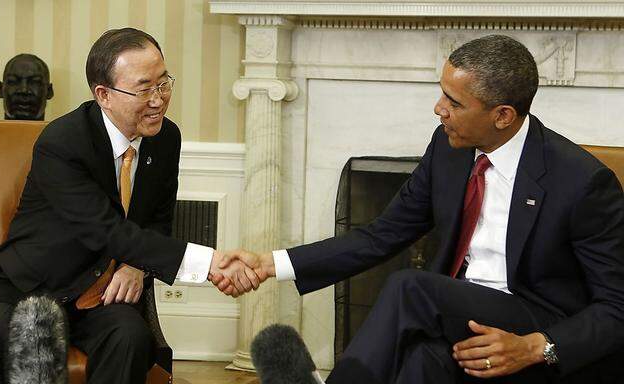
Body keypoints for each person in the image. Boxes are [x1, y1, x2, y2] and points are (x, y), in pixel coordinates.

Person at [216, 35, 624, 383]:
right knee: (421, 361)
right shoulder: (448, 151)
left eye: (454, 101)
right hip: (455, 317)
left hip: (536, 326)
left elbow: (616, 308)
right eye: (441, 92)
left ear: (503, 116)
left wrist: (539, 347)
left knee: (410, 286)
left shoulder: (582, 181)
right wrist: (270, 263)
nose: (438, 108)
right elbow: (379, 235)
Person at [0, 28, 258, 384]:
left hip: (98, 293)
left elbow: (158, 220)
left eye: (164, 83)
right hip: (29, 284)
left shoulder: (165, 138)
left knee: (131, 339)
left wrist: (136, 266)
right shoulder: (63, 142)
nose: (159, 99)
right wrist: (209, 263)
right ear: (104, 95)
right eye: (145, 89)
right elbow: (105, 230)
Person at [0, 53, 54, 120]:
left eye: (34, 82)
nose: (23, 90)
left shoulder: (63, 130)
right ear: (0, 90)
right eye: (13, 81)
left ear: (49, 91)